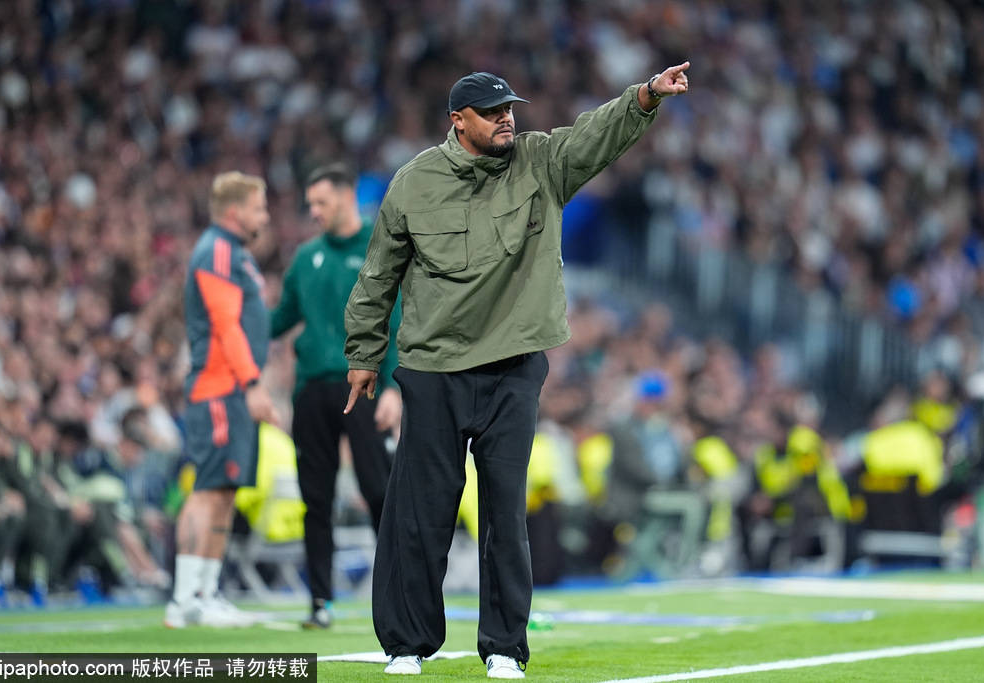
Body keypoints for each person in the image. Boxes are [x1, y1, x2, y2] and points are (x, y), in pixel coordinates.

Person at [343, 64, 691, 678]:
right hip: (434, 366)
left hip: (512, 366)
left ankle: (504, 647)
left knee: (506, 511)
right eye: (492, 112)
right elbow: (378, 274)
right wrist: (364, 355)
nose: (507, 118)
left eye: (509, 108)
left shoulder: (540, 161)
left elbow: (592, 136)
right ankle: (406, 644)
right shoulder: (414, 182)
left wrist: (642, 98)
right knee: (421, 511)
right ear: (458, 121)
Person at [271, 163, 401, 629]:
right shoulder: (306, 257)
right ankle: (319, 603)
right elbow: (280, 319)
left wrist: (394, 387)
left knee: (378, 490)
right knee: (315, 498)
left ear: (347, 198)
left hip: (365, 384)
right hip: (311, 389)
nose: (314, 211)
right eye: (311, 204)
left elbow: (395, 319)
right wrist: (237, 321)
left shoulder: (378, 247)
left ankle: (399, 596)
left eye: (321, 202)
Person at [165, 171, 280, 628]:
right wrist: (252, 383)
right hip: (219, 388)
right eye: (258, 208)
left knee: (225, 493)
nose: (265, 217)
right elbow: (225, 324)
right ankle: (183, 599)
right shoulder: (216, 250)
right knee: (208, 490)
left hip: (231, 390)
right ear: (234, 212)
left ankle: (206, 593)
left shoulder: (235, 253)